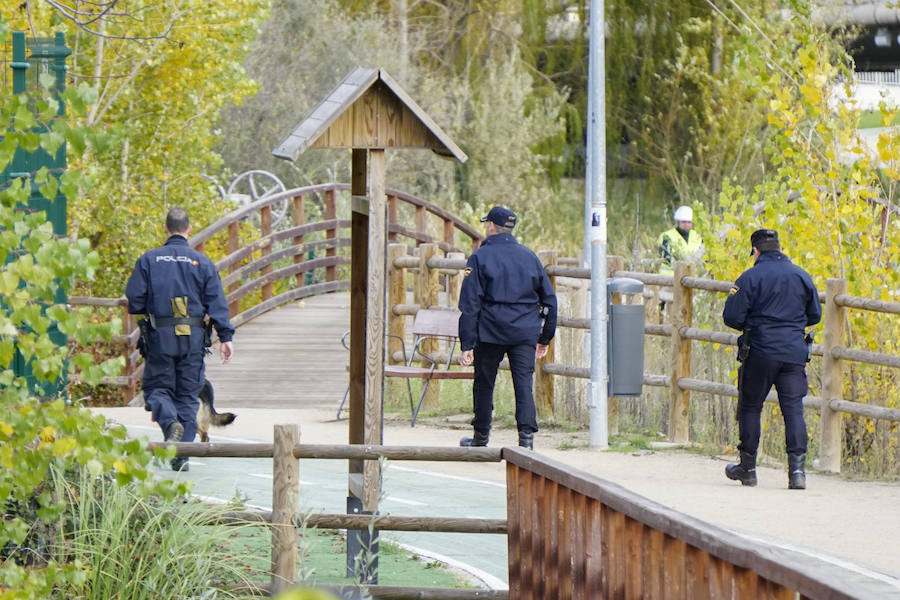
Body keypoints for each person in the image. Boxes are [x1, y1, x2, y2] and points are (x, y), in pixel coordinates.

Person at [125, 207, 235, 471]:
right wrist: (226, 337)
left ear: (166, 228)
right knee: (187, 396)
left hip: (160, 337)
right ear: (189, 229)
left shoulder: (149, 260)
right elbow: (217, 303)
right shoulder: (203, 263)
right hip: (193, 339)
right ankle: (181, 455)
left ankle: (169, 424)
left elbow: (134, 301)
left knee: (156, 390)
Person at [722, 228, 820, 489]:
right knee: (794, 409)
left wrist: (754, 323)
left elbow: (731, 317)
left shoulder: (750, 277)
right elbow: (815, 314)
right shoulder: (801, 276)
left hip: (761, 351)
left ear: (755, 250)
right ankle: (797, 473)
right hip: (793, 352)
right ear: (779, 248)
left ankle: (748, 468)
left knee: (751, 406)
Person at [457, 206, 557, 450]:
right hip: (524, 331)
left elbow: (470, 304)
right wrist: (545, 337)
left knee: (484, 382)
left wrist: (467, 343)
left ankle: (481, 436)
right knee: (523, 383)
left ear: (491, 226)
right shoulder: (529, 256)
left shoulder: (480, 257)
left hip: (490, 331)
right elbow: (550, 300)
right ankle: (526, 440)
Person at [657, 205, 704, 277]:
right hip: (670, 278)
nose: (686, 225)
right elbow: (666, 258)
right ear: (678, 222)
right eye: (684, 222)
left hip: (692, 278)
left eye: (689, 222)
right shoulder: (667, 236)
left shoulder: (697, 236)